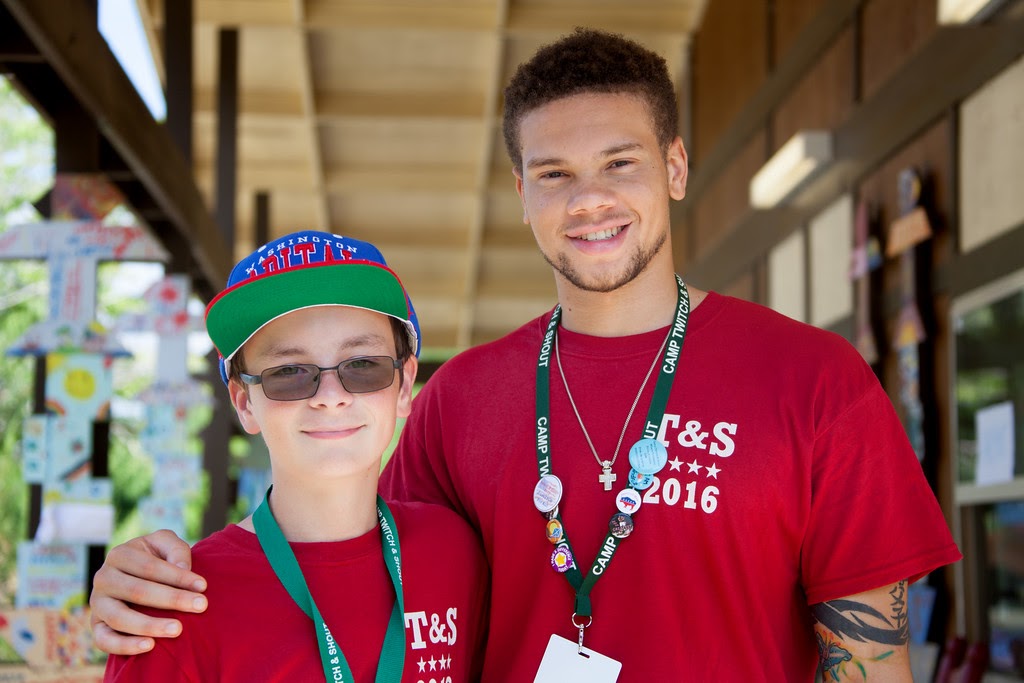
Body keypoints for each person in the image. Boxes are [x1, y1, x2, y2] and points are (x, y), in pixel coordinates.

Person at [90, 29, 960, 682]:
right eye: (553, 173)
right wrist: (156, 579)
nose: (588, 201)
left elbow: (871, 656)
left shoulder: (813, 379)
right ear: (522, 193)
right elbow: (348, 558)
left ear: (677, 167)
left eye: (620, 162)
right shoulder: (458, 397)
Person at [102, 230, 487, 681]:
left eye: (362, 366)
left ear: (404, 386)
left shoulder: (455, 553)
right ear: (245, 402)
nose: (330, 396)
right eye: (289, 373)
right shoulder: (177, 605)